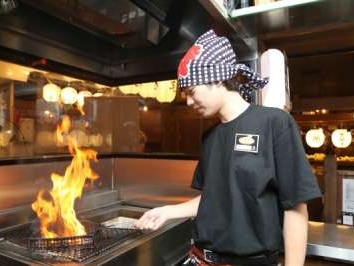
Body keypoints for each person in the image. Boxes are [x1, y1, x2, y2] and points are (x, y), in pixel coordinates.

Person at [135, 30, 321, 266]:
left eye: (191, 92)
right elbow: (213, 198)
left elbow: (295, 206)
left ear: (218, 79)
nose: (189, 103)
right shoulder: (211, 137)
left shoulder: (274, 123)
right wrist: (166, 211)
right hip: (201, 258)